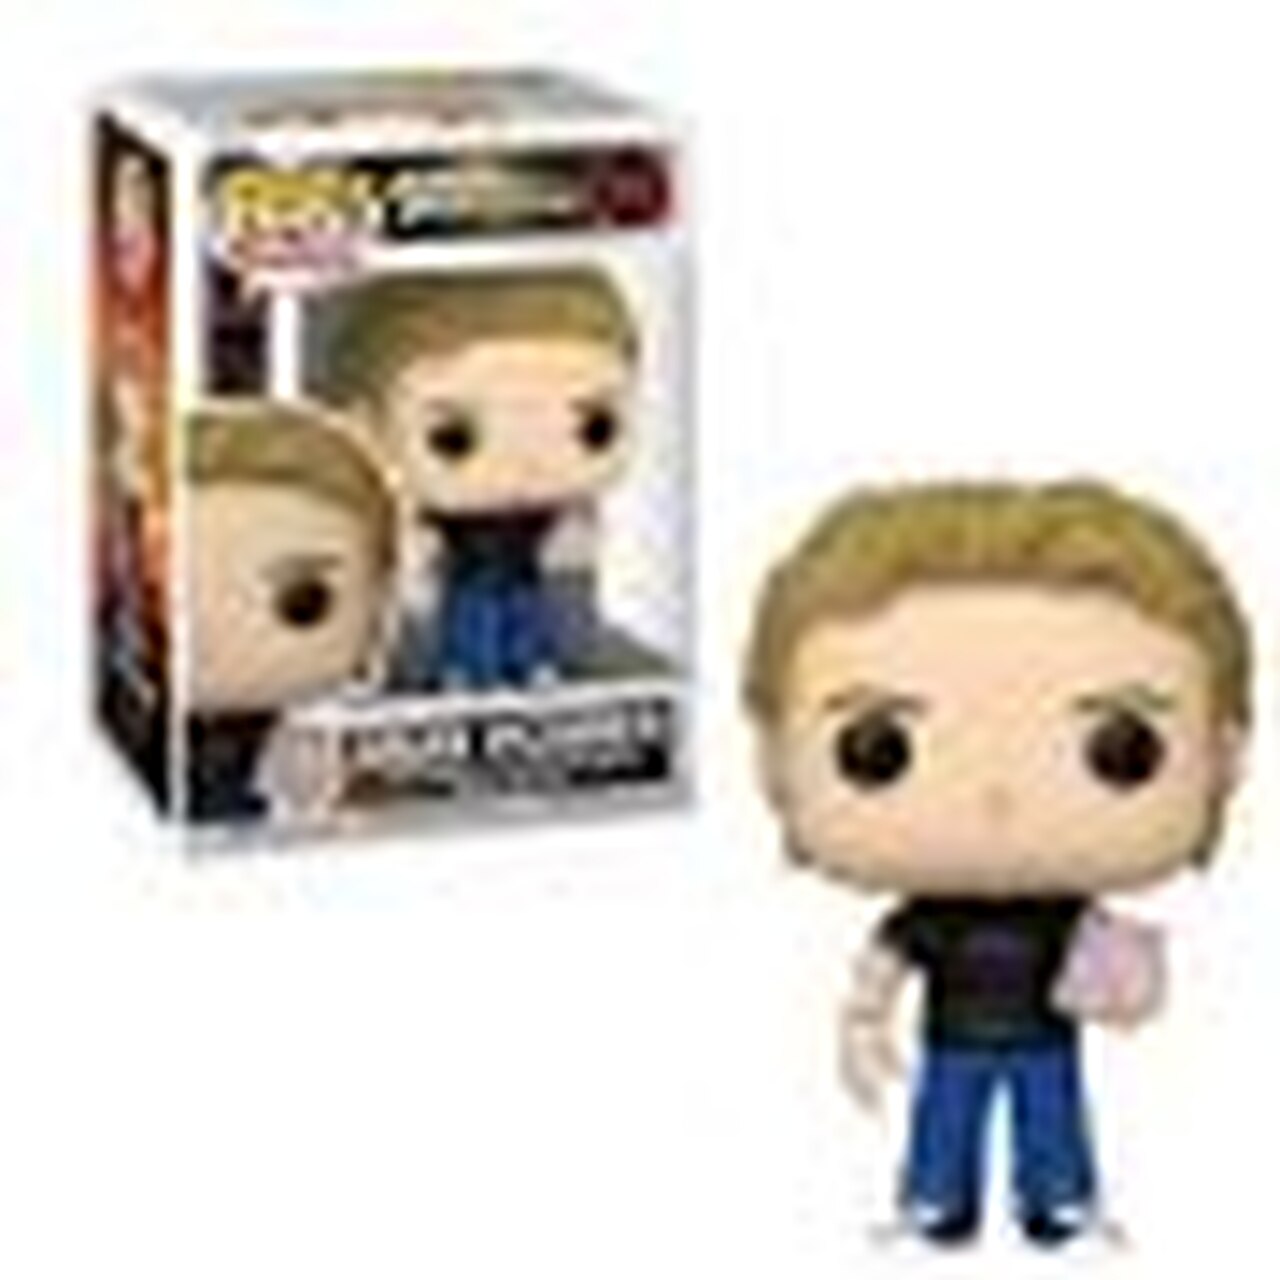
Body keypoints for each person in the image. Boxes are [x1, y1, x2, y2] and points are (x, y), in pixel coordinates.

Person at [742, 480, 1251, 1247]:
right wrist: (862, 1023)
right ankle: (936, 1202)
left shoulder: (1068, 915)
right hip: (954, 1038)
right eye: (878, 748)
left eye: (1119, 748)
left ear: (1225, 757)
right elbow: (881, 968)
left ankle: (1060, 1203)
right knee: (946, 1115)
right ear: (776, 761)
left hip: (1045, 1036)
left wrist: (1126, 979)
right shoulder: (926, 921)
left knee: (1054, 1115)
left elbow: (1121, 970)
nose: (997, 793)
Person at [311, 269, 637, 689]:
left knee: (526, 609)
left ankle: (528, 661)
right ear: (367, 423)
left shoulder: (557, 515)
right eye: (453, 438)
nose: (528, 466)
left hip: (524, 570)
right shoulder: (429, 514)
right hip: (469, 570)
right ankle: (467, 665)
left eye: (595, 428)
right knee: (473, 611)